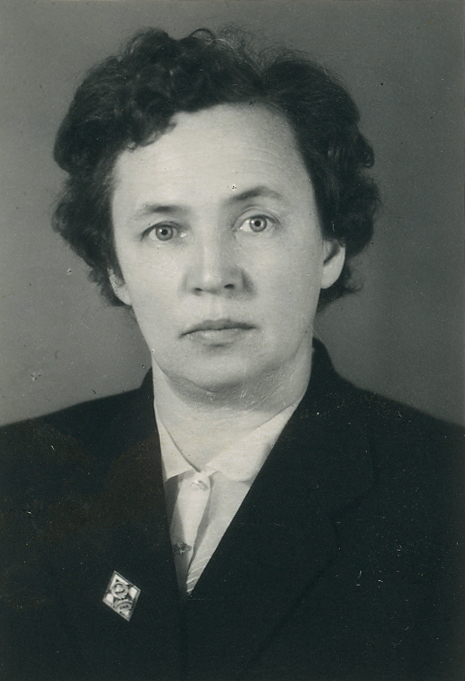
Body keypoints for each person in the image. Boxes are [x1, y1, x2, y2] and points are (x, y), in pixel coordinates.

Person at [1, 27, 463, 681]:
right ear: (115, 270)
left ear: (329, 247)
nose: (213, 275)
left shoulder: (445, 492)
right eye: (165, 230)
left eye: (255, 222)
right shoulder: (16, 479)